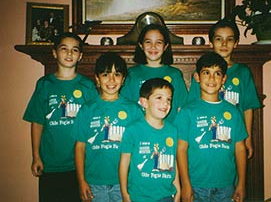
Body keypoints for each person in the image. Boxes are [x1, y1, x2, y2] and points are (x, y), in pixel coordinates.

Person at [23, 32, 98, 202]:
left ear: (80, 56)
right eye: (64, 49)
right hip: (51, 165)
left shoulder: (87, 86)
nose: (69, 54)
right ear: (55, 53)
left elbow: (94, 125)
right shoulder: (44, 84)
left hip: (80, 166)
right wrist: (36, 156)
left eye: (74, 50)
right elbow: (37, 122)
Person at [176, 52, 247, 202]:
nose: (212, 78)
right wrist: (186, 184)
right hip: (196, 185)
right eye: (206, 73)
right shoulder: (187, 112)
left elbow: (240, 148)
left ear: (224, 79)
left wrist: (241, 183)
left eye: (217, 74)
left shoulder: (233, 112)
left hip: (226, 186)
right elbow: (181, 148)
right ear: (197, 77)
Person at [72, 53, 143, 202]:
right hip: (94, 183)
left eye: (116, 74)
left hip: (125, 182)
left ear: (123, 79)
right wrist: (81, 181)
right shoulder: (87, 109)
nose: (111, 80)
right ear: (97, 79)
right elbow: (80, 146)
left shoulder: (134, 109)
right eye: (105, 74)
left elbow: (139, 147)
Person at [187, 18, 261, 158]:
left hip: (234, 134)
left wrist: (248, 138)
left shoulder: (243, 72)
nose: (224, 44)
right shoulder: (202, 74)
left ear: (236, 43)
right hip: (207, 136)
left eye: (230, 39)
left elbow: (247, 108)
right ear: (211, 42)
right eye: (219, 39)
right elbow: (193, 106)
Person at [119, 78, 180, 202]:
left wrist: (178, 190)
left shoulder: (173, 130)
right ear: (144, 102)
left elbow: (173, 162)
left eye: (169, 99)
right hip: (139, 196)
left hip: (166, 196)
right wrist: (125, 193)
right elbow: (124, 163)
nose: (165, 104)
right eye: (159, 98)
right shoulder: (133, 129)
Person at [120, 24, 188, 122]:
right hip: (138, 130)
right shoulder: (132, 74)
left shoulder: (175, 75)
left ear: (165, 46)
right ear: (141, 45)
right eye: (148, 42)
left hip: (168, 131)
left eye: (158, 42)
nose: (153, 46)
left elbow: (182, 108)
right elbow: (125, 105)